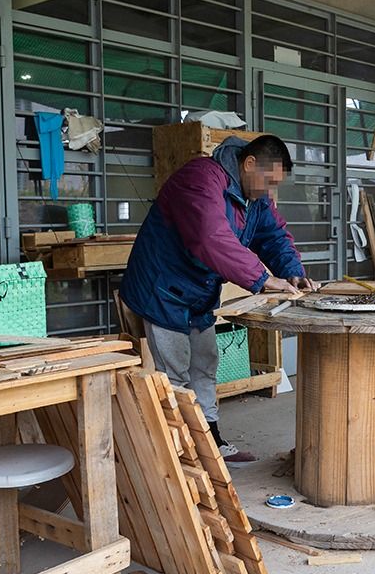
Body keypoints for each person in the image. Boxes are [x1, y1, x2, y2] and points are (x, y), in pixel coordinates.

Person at [120, 134, 316, 463]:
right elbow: (210, 236)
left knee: (205, 364)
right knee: (175, 375)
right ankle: (183, 455)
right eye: (269, 181)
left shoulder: (255, 197)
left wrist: (292, 272)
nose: (270, 191)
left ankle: (210, 442)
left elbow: (274, 236)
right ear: (249, 163)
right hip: (162, 291)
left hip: (199, 291)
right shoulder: (200, 178)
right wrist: (262, 279)